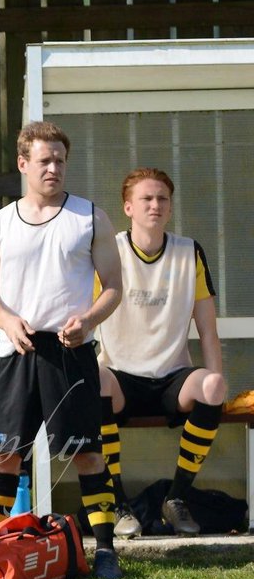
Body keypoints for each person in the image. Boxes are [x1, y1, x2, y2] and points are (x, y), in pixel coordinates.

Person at [0, 121, 125, 579]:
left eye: (60, 160)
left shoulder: (90, 217)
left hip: (69, 350)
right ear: (23, 164)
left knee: (87, 454)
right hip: (16, 351)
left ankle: (105, 551)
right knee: (4, 456)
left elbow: (115, 287)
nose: (54, 168)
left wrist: (89, 320)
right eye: (44, 160)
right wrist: (7, 320)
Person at [96, 168, 227, 538]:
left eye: (162, 199)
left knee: (213, 386)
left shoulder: (189, 251)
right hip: (121, 377)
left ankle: (176, 498)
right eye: (146, 199)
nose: (155, 205)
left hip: (172, 377)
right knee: (96, 380)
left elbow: (207, 328)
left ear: (170, 208)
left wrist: (218, 382)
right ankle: (119, 503)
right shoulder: (110, 250)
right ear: (128, 207)